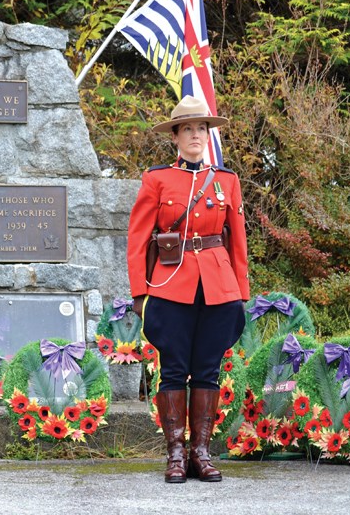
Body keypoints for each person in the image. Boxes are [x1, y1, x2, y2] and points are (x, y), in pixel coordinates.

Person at [126, 96, 249, 483]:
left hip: (218, 285)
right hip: (169, 284)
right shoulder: (157, 179)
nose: (196, 135)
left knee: (208, 369)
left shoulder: (227, 180)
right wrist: (139, 292)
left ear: (208, 136)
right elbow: (138, 238)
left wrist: (240, 290)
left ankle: (202, 453)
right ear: (175, 137)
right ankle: (176, 453)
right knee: (174, 369)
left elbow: (238, 241)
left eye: (202, 129)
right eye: (188, 129)